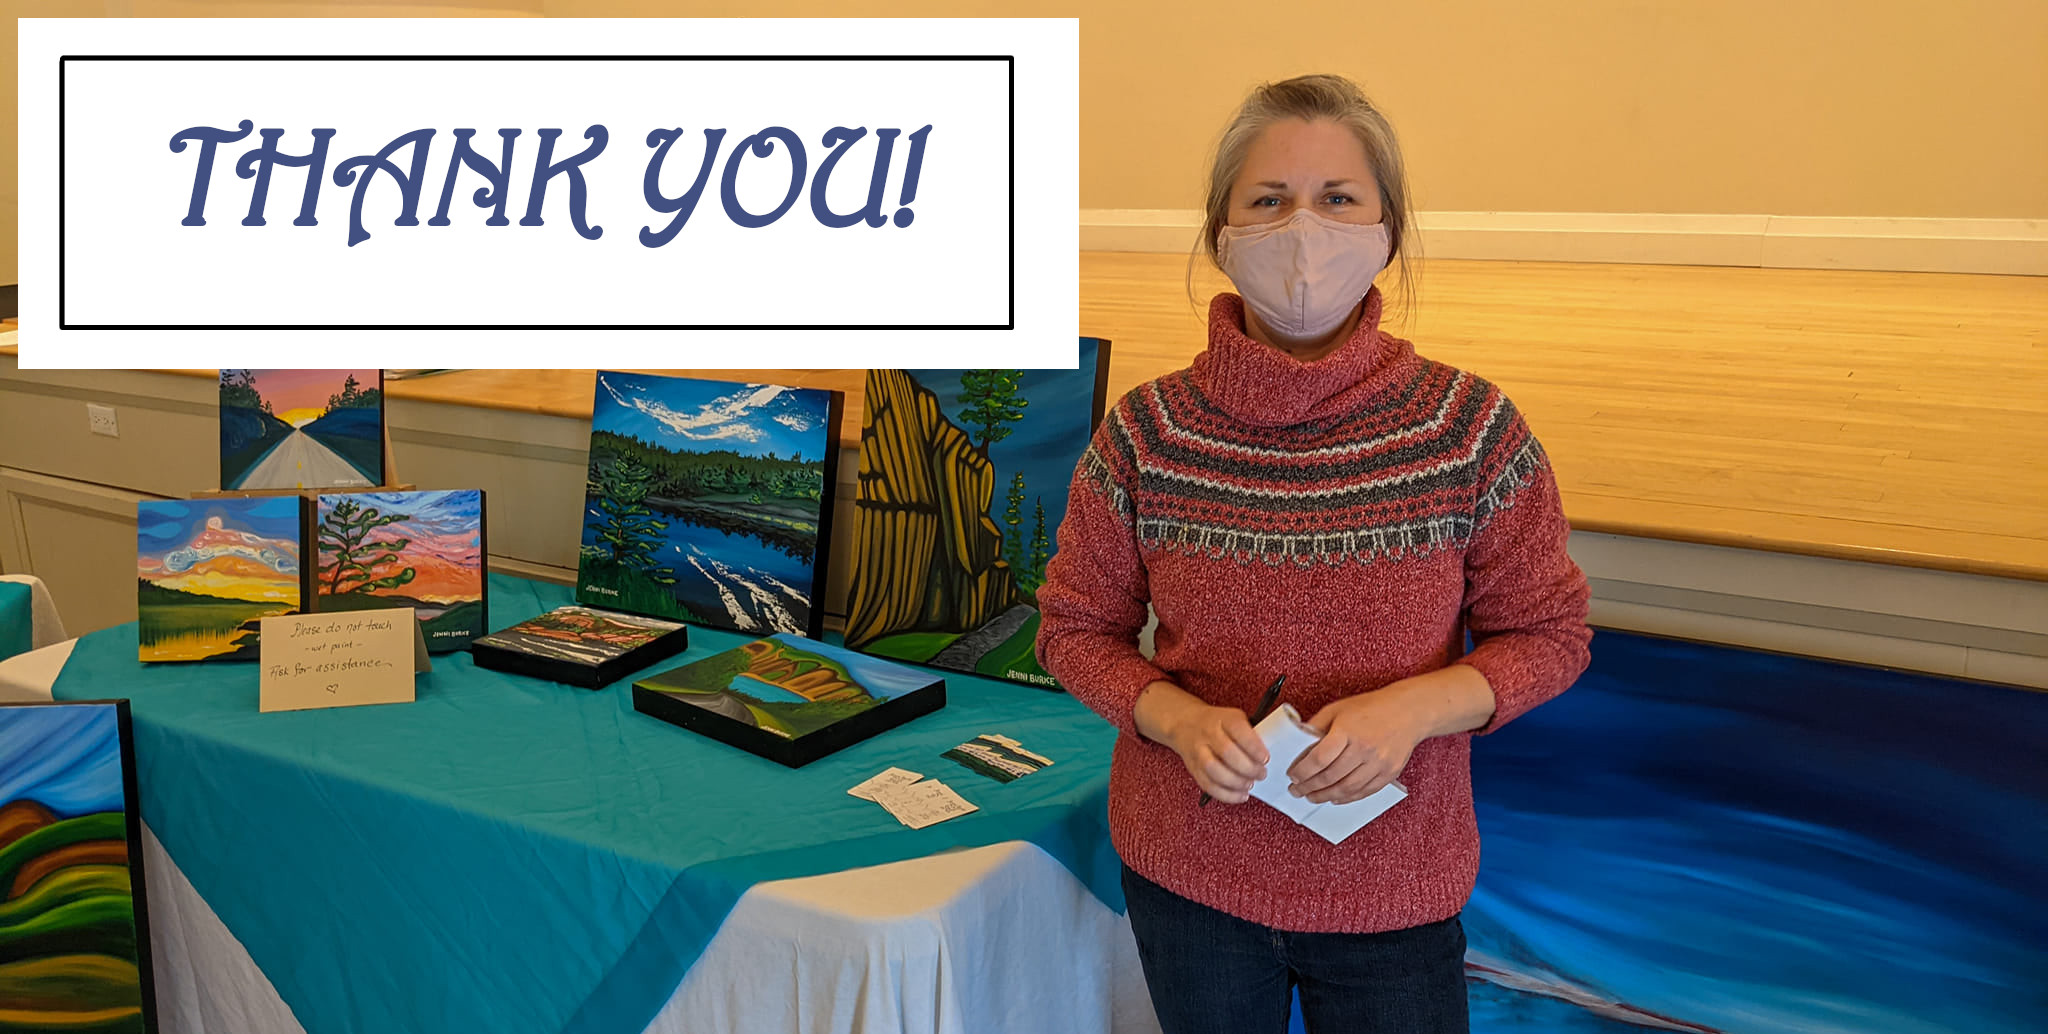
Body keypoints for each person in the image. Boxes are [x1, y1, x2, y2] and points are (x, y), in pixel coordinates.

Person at [1035, 73, 1593, 1034]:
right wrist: (1173, 718)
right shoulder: (1146, 434)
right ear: (1221, 233)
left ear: (1387, 231)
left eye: (1337, 198)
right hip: (1189, 881)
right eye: (1268, 200)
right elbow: (1073, 630)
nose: (1303, 230)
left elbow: (1550, 635)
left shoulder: (1470, 430)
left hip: (1394, 891)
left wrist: (1414, 709)